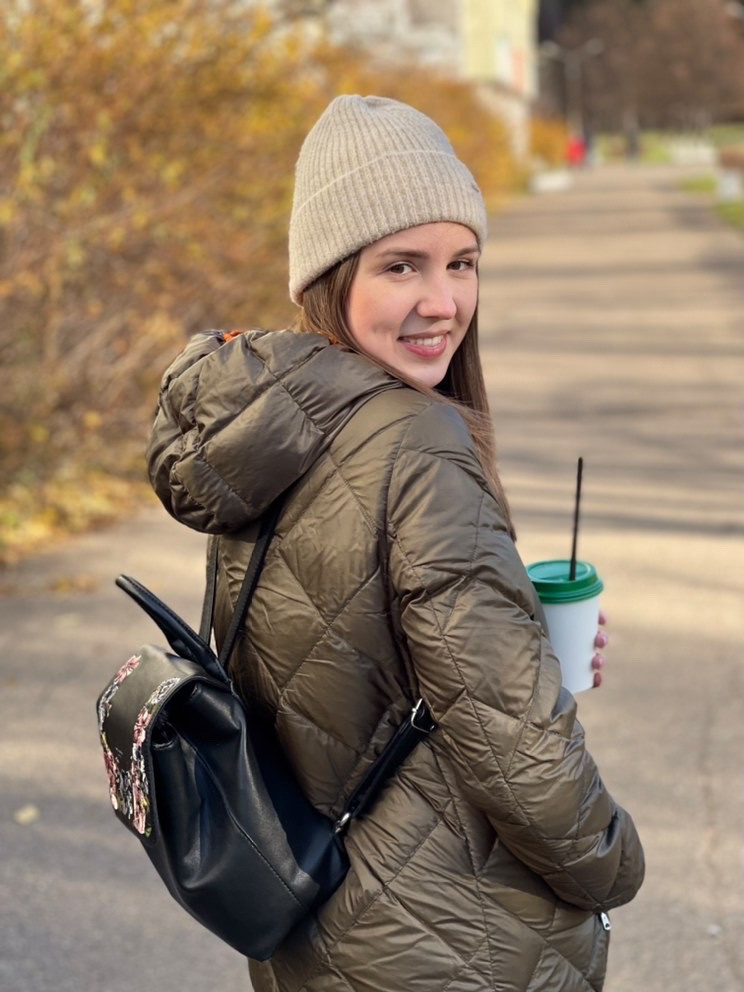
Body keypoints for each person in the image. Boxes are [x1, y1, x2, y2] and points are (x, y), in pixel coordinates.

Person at [146, 95, 644, 992]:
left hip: (313, 919)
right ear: (329, 282)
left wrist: (512, 614)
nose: (443, 301)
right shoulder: (418, 444)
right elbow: (512, 737)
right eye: (401, 266)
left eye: (463, 263)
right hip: (449, 934)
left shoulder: (274, 423)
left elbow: (339, 649)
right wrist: (611, 862)